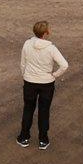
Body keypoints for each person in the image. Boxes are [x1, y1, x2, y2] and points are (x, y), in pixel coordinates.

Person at [16, 20, 68, 150]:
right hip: (46, 84)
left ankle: (24, 137)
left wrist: (25, 75)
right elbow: (64, 65)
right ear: (46, 33)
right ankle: (43, 140)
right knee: (44, 111)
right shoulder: (51, 48)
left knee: (28, 109)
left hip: (29, 82)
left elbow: (23, 63)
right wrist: (54, 75)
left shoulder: (27, 44)